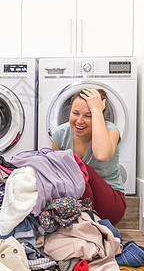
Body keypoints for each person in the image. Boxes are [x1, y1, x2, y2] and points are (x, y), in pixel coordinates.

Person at [51, 88, 126, 225]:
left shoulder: (111, 131)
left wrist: (96, 109)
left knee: (76, 165)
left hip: (111, 205)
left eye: (88, 115)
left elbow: (101, 155)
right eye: (75, 113)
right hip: (76, 205)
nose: (79, 121)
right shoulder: (60, 134)